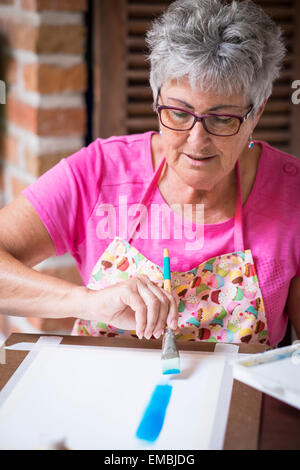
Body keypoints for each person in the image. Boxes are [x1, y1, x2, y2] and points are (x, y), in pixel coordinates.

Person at [0, 0, 299, 347]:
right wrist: (89, 302)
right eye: (178, 113)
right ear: (157, 100)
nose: (196, 141)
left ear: (256, 113)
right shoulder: (100, 171)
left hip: (236, 399)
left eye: (222, 118)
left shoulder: (290, 191)